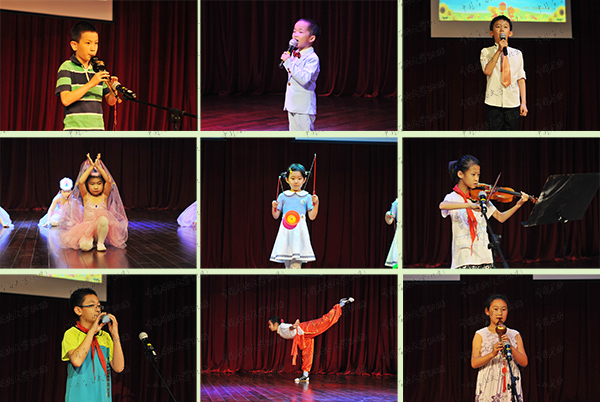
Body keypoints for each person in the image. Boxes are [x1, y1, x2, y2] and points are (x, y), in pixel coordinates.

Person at [439, 155, 528, 268]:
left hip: (484, 256)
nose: (476, 179)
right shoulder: (452, 197)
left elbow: (501, 217)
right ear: (460, 174)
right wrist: (469, 205)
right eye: (473, 174)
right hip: (463, 258)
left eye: (478, 175)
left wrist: (518, 205)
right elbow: (442, 205)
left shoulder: (481, 197)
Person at [268, 297, 354, 382]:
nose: (269, 326)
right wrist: (293, 327)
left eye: (270, 324)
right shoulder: (279, 329)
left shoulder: (282, 327)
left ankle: (340, 304)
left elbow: (289, 327)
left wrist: (293, 327)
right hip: (302, 336)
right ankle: (305, 375)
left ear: (276, 324)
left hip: (305, 329)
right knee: (307, 354)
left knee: (324, 321)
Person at [62, 288, 124, 401]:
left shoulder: (105, 336)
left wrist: (115, 335)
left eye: (99, 306)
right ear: (78, 310)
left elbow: (119, 367)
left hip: (102, 397)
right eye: (92, 305)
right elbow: (77, 361)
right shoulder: (71, 333)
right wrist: (92, 332)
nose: (97, 309)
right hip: (79, 398)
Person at [56, 21, 119, 130]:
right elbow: (66, 99)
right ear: (74, 45)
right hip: (75, 130)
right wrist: (91, 84)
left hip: (98, 130)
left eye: (96, 43)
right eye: (88, 43)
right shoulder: (67, 67)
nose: (93, 48)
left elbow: (111, 102)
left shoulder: (99, 69)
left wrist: (113, 90)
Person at [60, 153, 128, 251]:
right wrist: (91, 166)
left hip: (100, 229)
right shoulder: (86, 196)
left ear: (102, 185)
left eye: (99, 184)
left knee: (103, 219)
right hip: (87, 229)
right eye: (92, 184)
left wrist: (98, 166)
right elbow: (81, 182)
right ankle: (90, 240)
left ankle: (100, 242)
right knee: (85, 247)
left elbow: (108, 181)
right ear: (88, 185)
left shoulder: (104, 196)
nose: (96, 187)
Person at [471, 294, 527, 401]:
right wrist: (492, 354)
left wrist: (511, 347)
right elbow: (474, 363)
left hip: (510, 379)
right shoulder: (480, 334)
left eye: (503, 309)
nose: (500, 313)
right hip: (489, 381)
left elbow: (524, 362)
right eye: (495, 309)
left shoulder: (515, 334)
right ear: (487, 311)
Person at [480, 15, 527, 131]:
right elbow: (487, 71)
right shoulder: (486, 51)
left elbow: (521, 79)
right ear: (491, 32)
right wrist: (499, 50)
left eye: (505, 27)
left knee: (513, 138)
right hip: (493, 103)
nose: (502, 29)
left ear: (510, 33)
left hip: (513, 103)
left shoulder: (517, 54)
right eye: (498, 27)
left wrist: (523, 103)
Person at [270, 164, 319, 268]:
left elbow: (312, 216)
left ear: (304, 180)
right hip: (286, 230)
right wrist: (274, 207)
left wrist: (316, 203)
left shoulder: (307, 196)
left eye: (299, 178)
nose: (296, 181)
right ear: (287, 180)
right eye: (292, 178)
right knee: (287, 260)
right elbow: (276, 215)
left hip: (299, 230)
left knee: (296, 262)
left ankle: (294, 274)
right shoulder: (283, 196)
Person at [280, 18, 321, 131]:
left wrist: (288, 62)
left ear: (311, 38)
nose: (295, 35)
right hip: (292, 104)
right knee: (294, 135)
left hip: (303, 106)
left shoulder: (312, 58)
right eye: (294, 31)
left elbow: (304, 79)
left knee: (305, 135)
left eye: (300, 32)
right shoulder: (294, 54)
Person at [385, 198, 398, 267]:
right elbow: (391, 218)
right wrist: (388, 215)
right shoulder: (396, 203)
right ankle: (396, 264)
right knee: (397, 245)